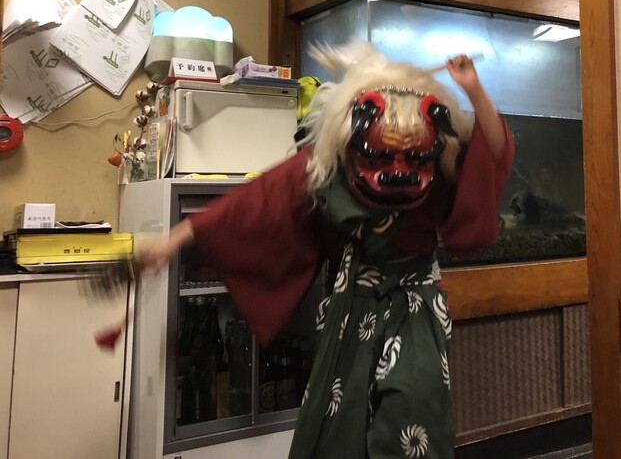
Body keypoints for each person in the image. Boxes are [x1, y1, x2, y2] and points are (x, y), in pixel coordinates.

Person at [137, 42, 514, 459]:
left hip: (415, 306)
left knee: (412, 406)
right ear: (352, 143)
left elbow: (492, 150)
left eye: (415, 157)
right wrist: (173, 240)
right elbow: (254, 202)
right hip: (351, 306)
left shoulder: (441, 168)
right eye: (380, 155)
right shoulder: (328, 168)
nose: (399, 170)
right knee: (341, 421)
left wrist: (473, 89)